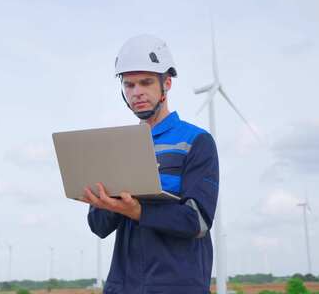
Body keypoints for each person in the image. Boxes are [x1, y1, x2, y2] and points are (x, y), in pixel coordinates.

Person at [81, 34, 219, 294]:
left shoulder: (196, 141)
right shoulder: (116, 148)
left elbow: (197, 221)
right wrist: (104, 203)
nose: (136, 92)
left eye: (145, 82)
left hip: (178, 286)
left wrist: (137, 210)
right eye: (129, 85)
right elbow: (98, 227)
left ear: (166, 84)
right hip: (123, 287)